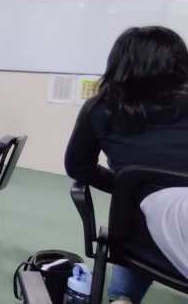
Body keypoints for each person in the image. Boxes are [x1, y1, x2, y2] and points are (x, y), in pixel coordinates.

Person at [65, 26, 188, 303]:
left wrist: (128, 189)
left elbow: (78, 167)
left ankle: (122, 298)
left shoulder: (101, 108)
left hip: (138, 240)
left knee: (139, 218)